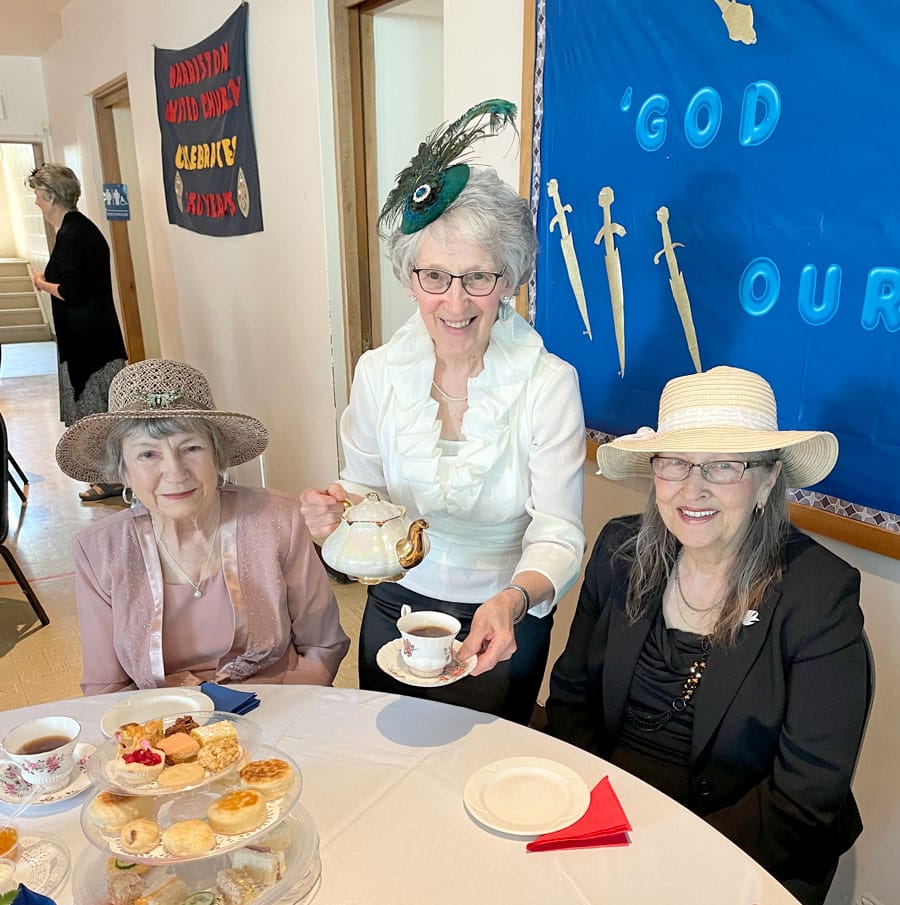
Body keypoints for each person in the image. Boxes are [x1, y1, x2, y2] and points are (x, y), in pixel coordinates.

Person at [300, 100, 586, 724]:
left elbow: (559, 532)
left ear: (509, 281)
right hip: (396, 607)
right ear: (410, 279)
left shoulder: (548, 384)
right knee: (387, 747)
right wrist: (335, 513)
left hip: (502, 616)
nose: (455, 303)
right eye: (435, 276)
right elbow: (364, 490)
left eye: (478, 277)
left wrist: (513, 600)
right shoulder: (379, 372)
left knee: (488, 762)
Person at [545, 366, 868, 905]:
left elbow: (803, 802)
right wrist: (591, 815)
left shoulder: (818, 595)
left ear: (768, 479)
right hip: (606, 815)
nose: (693, 488)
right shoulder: (619, 551)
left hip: (739, 851)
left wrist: (662, 858)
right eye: (675, 462)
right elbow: (571, 698)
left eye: (723, 465)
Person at [55, 358, 350, 694]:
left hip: (280, 702)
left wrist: (276, 711)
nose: (175, 472)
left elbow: (322, 647)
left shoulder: (279, 520)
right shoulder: (99, 550)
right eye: (148, 454)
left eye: (191, 448)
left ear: (217, 456)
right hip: (163, 719)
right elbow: (106, 686)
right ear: (123, 471)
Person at [28, 163, 128, 502]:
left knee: (97, 413)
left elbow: (73, 290)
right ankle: (111, 477)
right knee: (97, 412)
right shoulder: (76, 229)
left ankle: (112, 479)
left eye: (38, 195)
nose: (36, 202)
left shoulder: (74, 234)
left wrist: (42, 283)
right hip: (90, 339)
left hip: (91, 344)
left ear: (50, 196)